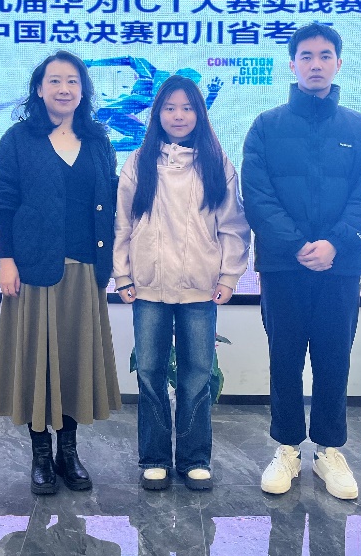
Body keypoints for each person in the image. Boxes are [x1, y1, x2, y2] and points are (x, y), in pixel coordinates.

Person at [241, 23, 361, 500]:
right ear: (293, 64)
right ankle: (286, 448)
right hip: (283, 266)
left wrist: (336, 245)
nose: (316, 64)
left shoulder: (359, 128)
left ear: (338, 63)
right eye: (306, 56)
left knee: (333, 358)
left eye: (325, 55)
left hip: (341, 267)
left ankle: (328, 451)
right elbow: (257, 196)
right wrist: (298, 245)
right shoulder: (266, 126)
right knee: (283, 358)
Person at [0, 50, 121, 495]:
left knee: (73, 362)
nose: (64, 89)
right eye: (55, 81)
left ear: (84, 90)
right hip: (34, 269)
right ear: (39, 89)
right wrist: (6, 259)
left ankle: (69, 452)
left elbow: (112, 200)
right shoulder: (18, 139)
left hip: (85, 271)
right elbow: (1, 200)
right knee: (38, 363)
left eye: (73, 81)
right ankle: (40, 454)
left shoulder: (98, 139)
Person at [113, 74, 250, 492]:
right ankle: (154, 458)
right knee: (150, 372)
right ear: (157, 113)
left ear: (199, 114)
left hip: (199, 288)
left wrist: (229, 275)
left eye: (187, 108)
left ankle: (194, 459)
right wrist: (123, 274)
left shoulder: (217, 164)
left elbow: (232, 225)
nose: (178, 115)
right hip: (148, 287)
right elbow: (122, 224)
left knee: (196, 375)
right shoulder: (138, 162)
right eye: (170, 108)